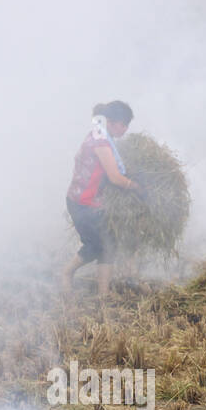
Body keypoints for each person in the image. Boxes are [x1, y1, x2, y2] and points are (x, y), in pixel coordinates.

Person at [61, 100, 142, 295]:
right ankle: (66, 273)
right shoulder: (101, 142)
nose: (125, 129)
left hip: (94, 202)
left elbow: (97, 120)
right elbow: (115, 177)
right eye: (124, 125)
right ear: (113, 122)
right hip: (82, 203)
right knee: (95, 245)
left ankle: (103, 295)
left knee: (109, 243)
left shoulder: (100, 131)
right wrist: (136, 187)